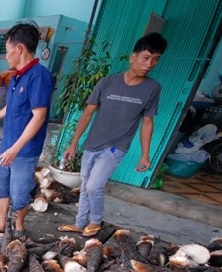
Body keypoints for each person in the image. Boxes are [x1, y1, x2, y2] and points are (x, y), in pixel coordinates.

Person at [58, 32, 168, 238]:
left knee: (94, 186)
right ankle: (80, 222)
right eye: (146, 57)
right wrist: (73, 143)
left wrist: (145, 154)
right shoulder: (107, 83)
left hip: (115, 147)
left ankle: (95, 221)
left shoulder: (152, 88)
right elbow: (88, 113)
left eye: (155, 60)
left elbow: (147, 122)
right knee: (85, 186)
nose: (150, 64)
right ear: (132, 57)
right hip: (92, 143)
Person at [0, 22, 54, 239]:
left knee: (20, 192)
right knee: (2, 186)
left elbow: (39, 116)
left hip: (24, 150)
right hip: (8, 144)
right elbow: (15, 105)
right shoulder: (16, 77)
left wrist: (15, 149)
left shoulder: (39, 76)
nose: (6, 56)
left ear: (19, 49)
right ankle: (0, 224)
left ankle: (19, 226)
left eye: (7, 51)